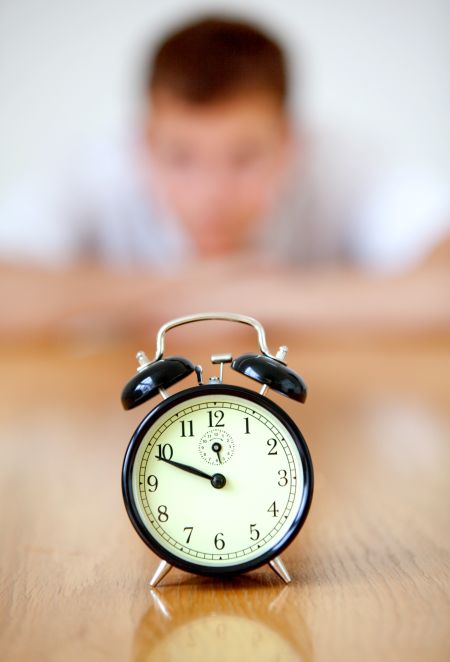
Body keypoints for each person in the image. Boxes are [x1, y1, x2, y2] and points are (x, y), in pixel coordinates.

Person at [0, 16, 449, 339]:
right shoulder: (94, 169)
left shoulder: (346, 163)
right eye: (181, 158)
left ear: (289, 143)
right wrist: (190, 286)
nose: (212, 195)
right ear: (143, 146)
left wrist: (252, 301)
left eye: (244, 158)